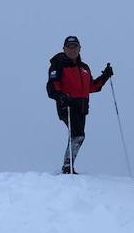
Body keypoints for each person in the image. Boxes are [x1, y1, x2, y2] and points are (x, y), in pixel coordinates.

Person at [46, 35, 113, 173]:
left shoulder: (84, 68)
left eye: (75, 47)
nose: (72, 50)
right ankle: (67, 167)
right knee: (78, 135)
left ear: (80, 48)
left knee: (78, 135)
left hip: (82, 107)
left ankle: (68, 166)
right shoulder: (58, 64)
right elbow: (52, 85)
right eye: (69, 47)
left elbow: (92, 87)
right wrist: (61, 97)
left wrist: (105, 76)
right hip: (67, 105)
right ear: (64, 49)